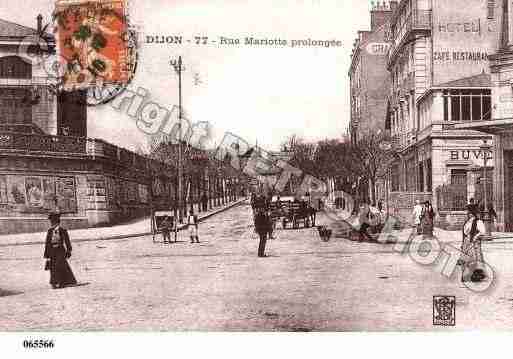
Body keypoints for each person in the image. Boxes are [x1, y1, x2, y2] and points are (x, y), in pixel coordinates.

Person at [43, 212, 77, 289]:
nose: (52, 224)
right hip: (52, 251)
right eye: (52, 222)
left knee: (61, 265)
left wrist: (69, 251)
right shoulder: (50, 231)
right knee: (53, 267)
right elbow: (47, 243)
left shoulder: (62, 231)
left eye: (54, 222)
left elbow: (67, 241)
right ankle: (54, 282)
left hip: (60, 250)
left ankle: (63, 282)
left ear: (58, 223)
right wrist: (47, 255)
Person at [459, 208, 488, 282]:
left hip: (474, 242)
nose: (467, 214)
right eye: (468, 213)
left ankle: (477, 276)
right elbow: (465, 233)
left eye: (469, 213)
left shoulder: (478, 221)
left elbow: (482, 232)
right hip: (467, 241)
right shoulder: (467, 222)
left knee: (476, 258)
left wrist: (475, 237)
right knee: (466, 258)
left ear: (472, 213)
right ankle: (466, 275)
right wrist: (463, 243)